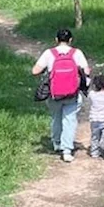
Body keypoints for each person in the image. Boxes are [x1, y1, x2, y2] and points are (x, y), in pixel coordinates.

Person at [32, 28, 90, 162]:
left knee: (56, 117)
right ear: (70, 40)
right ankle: (67, 150)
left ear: (56, 40)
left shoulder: (49, 53)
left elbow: (35, 70)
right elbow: (86, 71)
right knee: (70, 119)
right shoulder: (77, 53)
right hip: (72, 93)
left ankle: (57, 143)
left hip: (54, 93)